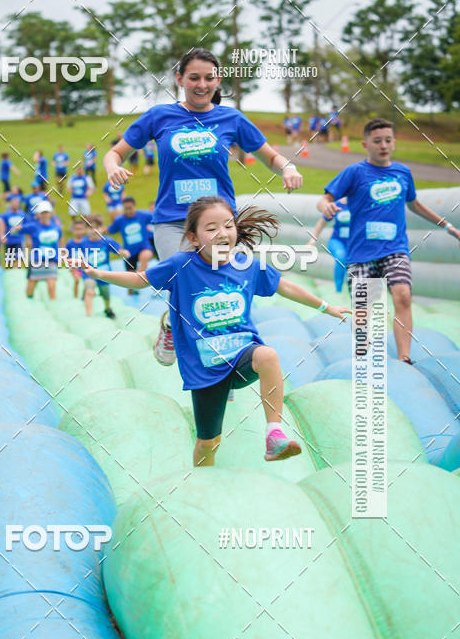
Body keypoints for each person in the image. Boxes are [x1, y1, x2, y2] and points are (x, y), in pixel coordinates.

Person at [73, 196, 349, 466]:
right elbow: (141, 280)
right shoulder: (180, 264)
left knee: (267, 355)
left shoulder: (247, 264)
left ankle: (274, 433)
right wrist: (100, 274)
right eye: (211, 228)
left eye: (228, 225)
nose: (222, 233)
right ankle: (202, 480)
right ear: (193, 238)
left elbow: (284, 286)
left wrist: (326, 307)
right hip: (204, 368)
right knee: (208, 443)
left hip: (241, 355)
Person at [103, 46, 303, 365]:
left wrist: (288, 168)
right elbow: (115, 153)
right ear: (180, 78)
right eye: (193, 77)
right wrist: (113, 167)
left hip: (220, 223)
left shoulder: (231, 118)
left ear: (218, 80)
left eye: (209, 78)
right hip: (172, 221)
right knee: (182, 278)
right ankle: (171, 324)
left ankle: (228, 355)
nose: (201, 84)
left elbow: (271, 156)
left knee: (221, 285)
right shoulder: (159, 116)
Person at [318, 118, 460, 363]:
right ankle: (364, 351)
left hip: (395, 249)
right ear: (365, 144)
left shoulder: (403, 173)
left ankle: (404, 357)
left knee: (402, 295)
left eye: (387, 140)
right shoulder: (355, 172)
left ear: (394, 142)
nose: (383, 145)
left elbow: (414, 204)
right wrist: (326, 206)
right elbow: (325, 198)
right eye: (377, 141)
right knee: (363, 309)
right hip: (361, 252)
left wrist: (448, 226)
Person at [12, 200, 62, 299]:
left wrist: (62, 253)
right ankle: (28, 300)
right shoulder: (33, 226)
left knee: (51, 285)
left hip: (51, 260)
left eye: (46, 212)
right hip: (36, 260)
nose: (44, 215)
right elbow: (16, 230)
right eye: (42, 213)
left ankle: (54, 305)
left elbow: (60, 240)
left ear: (50, 213)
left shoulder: (56, 227)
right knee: (32, 284)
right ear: (38, 214)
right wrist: (17, 230)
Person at [108, 197, 154, 292]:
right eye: (126, 209)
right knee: (130, 286)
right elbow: (110, 230)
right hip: (129, 252)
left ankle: (139, 281)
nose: (128, 211)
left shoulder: (144, 215)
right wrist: (98, 230)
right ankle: (133, 288)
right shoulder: (119, 220)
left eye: (130, 208)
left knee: (145, 257)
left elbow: (158, 217)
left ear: (134, 206)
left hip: (144, 247)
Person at [307, 197, 350, 292]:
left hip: (353, 243)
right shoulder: (336, 205)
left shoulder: (360, 203)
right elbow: (321, 223)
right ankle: (338, 290)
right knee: (341, 256)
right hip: (337, 241)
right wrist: (312, 240)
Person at [79, 215, 118, 318]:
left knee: (105, 294)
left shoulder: (107, 241)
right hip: (89, 273)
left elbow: (118, 250)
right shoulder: (83, 243)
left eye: (97, 227)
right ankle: (89, 315)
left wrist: (124, 253)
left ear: (102, 228)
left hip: (104, 273)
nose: (94, 230)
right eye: (90, 228)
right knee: (90, 291)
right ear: (86, 230)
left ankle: (107, 308)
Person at [1, 196, 31, 267]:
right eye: (13, 203)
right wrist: (2, 235)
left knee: (19, 259)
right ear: (11, 204)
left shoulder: (23, 214)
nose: (15, 204)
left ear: (19, 204)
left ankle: (17, 273)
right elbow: (2, 226)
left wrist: (29, 239)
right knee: (9, 261)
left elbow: (27, 228)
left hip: (19, 240)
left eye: (16, 203)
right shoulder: (6, 215)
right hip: (9, 240)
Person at [65, 218, 90, 298]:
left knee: (87, 281)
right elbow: (67, 255)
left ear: (84, 230)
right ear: (73, 230)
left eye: (81, 229)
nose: (79, 231)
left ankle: (84, 296)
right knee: (76, 280)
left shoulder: (87, 241)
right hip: (75, 267)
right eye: (76, 229)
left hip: (86, 266)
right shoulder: (70, 243)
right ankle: (75, 297)